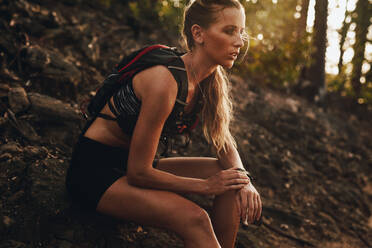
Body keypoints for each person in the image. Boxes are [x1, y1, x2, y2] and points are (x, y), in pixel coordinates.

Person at [65, 0, 262, 247]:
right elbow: (138, 173)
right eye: (229, 31)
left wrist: (243, 179)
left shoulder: (211, 81)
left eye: (241, 32)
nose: (240, 42)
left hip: (132, 164)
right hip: (96, 173)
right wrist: (205, 186)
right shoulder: (164, 82)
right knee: (196, 219)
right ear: (198, 34)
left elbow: (221, 138)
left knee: (231, 178)